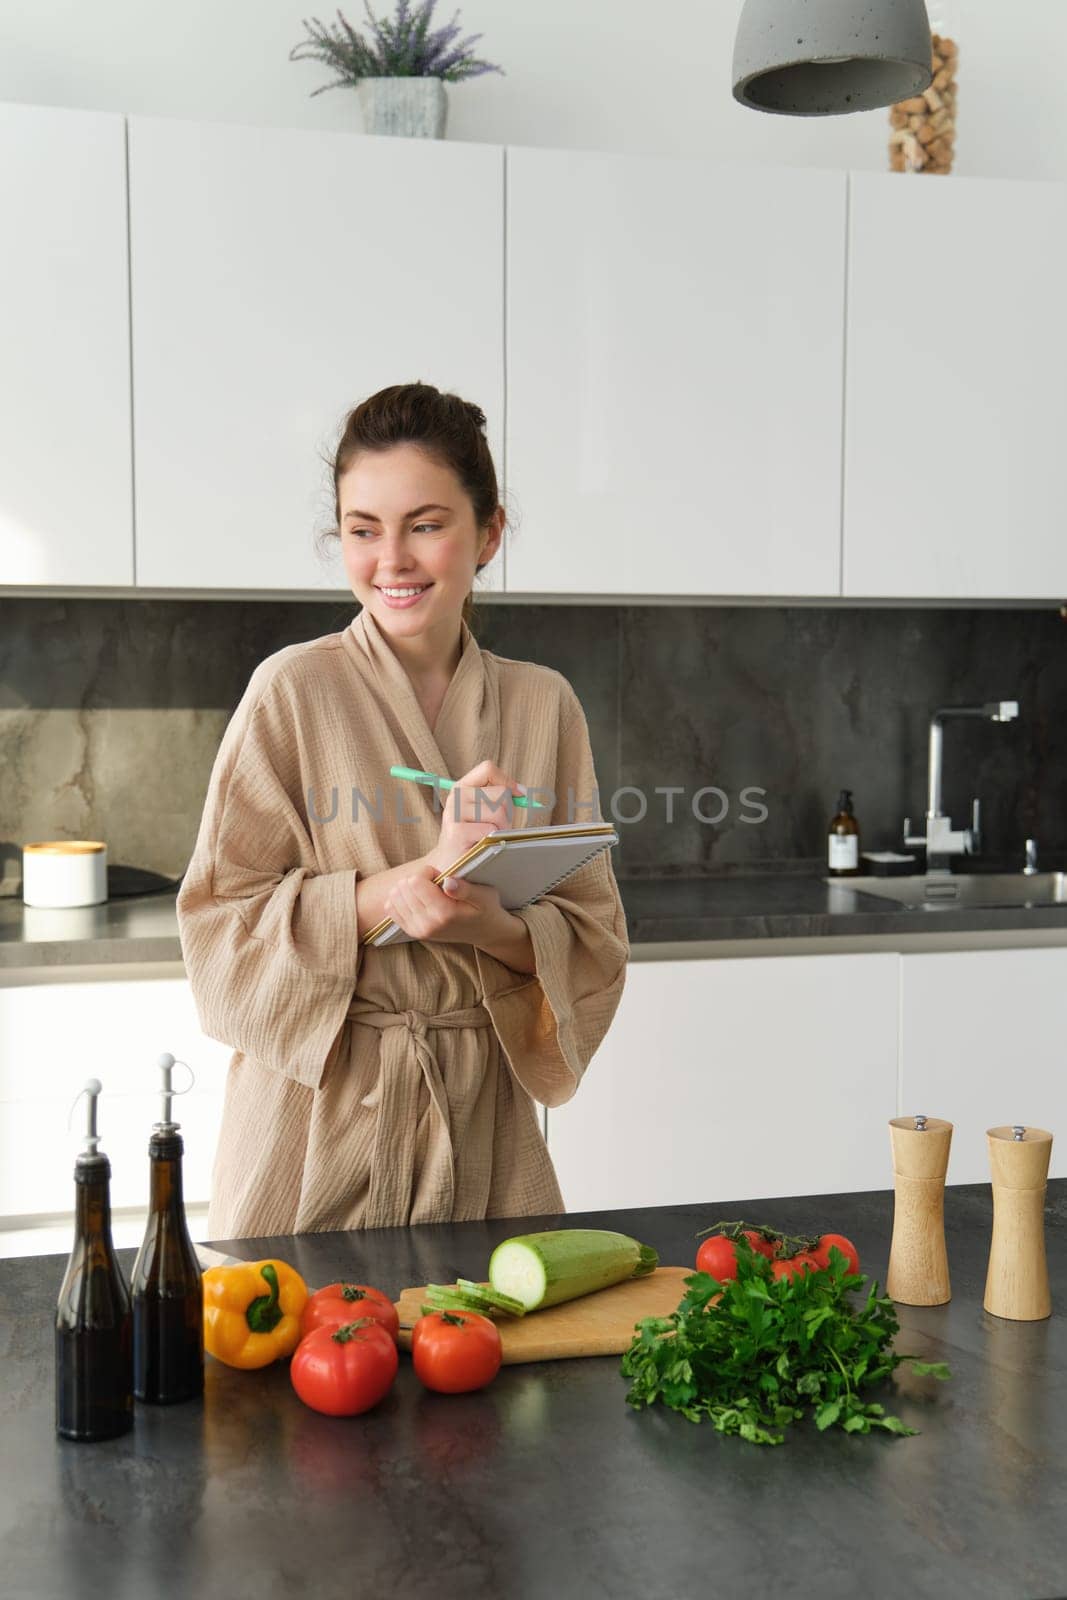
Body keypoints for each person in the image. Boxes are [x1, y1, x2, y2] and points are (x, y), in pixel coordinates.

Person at [177, 382, 629, 1238]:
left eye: (426, 524)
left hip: (481, 1118)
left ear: (490, 532)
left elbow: (594, 935)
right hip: (312, 1118)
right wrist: (405, 886)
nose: (392, 559)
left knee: (498, 1360)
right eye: (362, 529)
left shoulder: (544, 705)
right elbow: (218, 925)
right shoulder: (292, 691)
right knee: (291, 1359)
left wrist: (483, 926)